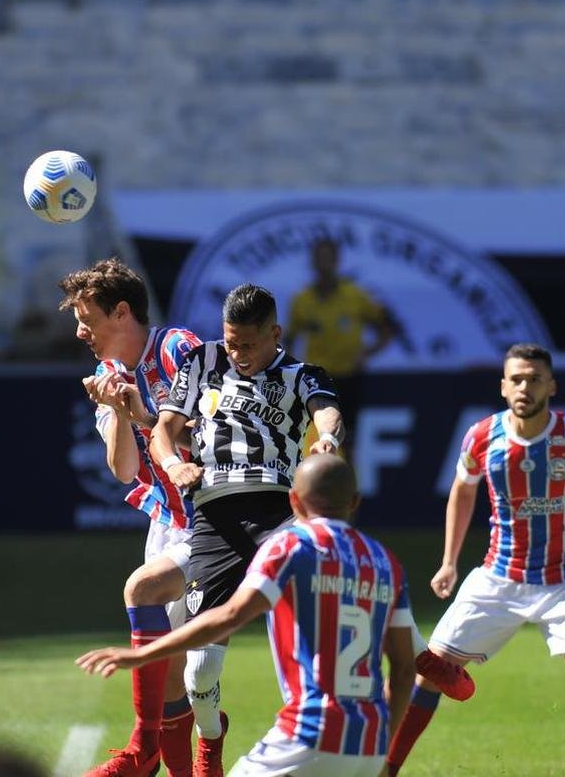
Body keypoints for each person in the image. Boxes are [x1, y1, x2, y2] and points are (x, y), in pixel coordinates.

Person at [146, 284, 473, 777]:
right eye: (232, 343)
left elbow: (328, 414)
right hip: (214, 518)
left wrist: (330, 440)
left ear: (275, 333)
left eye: (249, 345)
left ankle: (424, 657)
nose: (238, 354)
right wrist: (174, 465)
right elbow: (163, 431)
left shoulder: (302, 375)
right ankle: (210, 739)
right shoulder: (201, 361)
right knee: (200, 672)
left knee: (342, 569)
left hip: (281, 509)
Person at [384, 343, 565, 777]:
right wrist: (449, 561)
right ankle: (385, 772)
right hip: (498, 577)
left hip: (564, 580)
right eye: (516, 378)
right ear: (503, 386)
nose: (525, 386)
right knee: (429, 675)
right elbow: (463, 491)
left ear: (552, 386)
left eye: (534, 378)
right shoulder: (482, 436)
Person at [77, 454, 423, 777]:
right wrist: (381, 747)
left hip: (307, 734)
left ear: (294, 501)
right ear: (354, 501)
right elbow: (405, 669)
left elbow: (229, 615)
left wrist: (143, 654)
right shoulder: (385, 562)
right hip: (371, 743)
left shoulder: (291, 546)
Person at [59, 258, 207, 777]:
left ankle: (142, 750)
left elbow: (209, 439)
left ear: (122, 312)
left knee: (147, 601)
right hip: (167, 520)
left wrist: (140, 408)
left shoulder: (177, 349)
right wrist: (121, 409)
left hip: (212, 519)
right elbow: (123, 471)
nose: (80, 332)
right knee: (167, 674)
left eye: (86, 318)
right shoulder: (106, 374)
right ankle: (167, 763)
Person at [284, 237, 394, 461]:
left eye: (329, 258)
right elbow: (289, 338)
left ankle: (347, 489)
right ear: (313, 262)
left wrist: (368, 352)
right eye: (319, 258)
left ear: (337, 261)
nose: (324, 263)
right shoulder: (302, 300)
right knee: (315, 437)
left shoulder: (355, 296)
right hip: (317, 380)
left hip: (349, 376)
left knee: (348, 438)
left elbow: (385, 327)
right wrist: (292, 369)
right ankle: (314, 487)